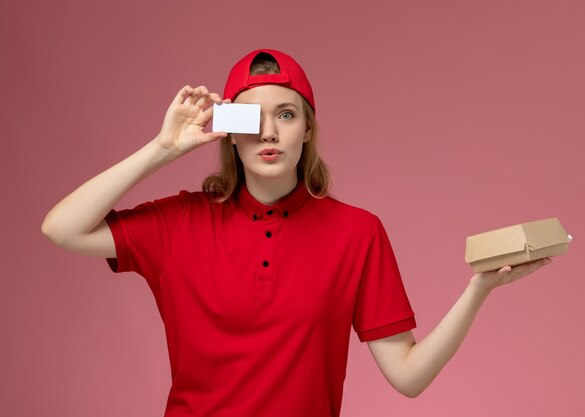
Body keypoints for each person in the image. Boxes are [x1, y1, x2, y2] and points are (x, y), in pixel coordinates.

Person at [41, 48, 552, 417]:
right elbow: (61, 228)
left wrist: (478, 290)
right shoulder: (180, 222)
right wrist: (162, 149)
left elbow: (409, 377)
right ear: (229, 128)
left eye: (286, 115)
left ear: (307, 128)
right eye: (253, 117)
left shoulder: (357, 233)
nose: (269, 132)